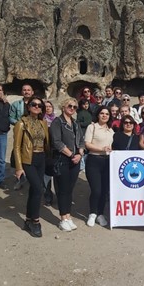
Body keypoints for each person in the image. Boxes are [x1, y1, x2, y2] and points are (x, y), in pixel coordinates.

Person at [13, 97, 50, 237]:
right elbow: (16, 147)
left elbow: (47, 143)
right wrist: (18, 167)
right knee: (38, 188)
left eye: (39, 105)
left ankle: (28, 220)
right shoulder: (21, 123)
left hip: (41, 158)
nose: (36, 107)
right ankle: (35, 221)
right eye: (33, 104)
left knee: (35, 190)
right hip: (28, 159)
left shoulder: (43, 123)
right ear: (28, 107)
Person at [50, 98, 85, 232]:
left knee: (70, 189)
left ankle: (68, 216)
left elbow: (81, 140)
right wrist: (71, 155)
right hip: (62, 159)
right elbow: (57, 142)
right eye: (70, 106)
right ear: (63, 106)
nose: (72, 108)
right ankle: (63, 218)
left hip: (75, 160)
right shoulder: (57, 122)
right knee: (63, 189)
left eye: (75, 107)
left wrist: (80, 154)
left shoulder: (75, 123)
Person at [84, 106, 114, 227]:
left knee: (104, 190)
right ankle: (92, 213)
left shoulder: (111, 130)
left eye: (107, 114)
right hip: (94, 160)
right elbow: (87, 144)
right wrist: (102, 149)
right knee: (96, 190)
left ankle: (100, 213)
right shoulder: (92, 127)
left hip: (107, 162)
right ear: (98, 115)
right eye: (102, 113)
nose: (104, 115)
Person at [9, 83, 34, 190]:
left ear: (32, 92)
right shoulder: (16, 104)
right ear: (21, 92)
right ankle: (19, 179)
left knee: (33, 155)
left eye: (29, 90)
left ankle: (32, 179)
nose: (26, 92)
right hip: (20, 132)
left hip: (33, 134)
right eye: (24, 90)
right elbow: (10, 118)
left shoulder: (37, 104)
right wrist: (21, 124)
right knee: (17, 154)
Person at [42, 100, 56, 205]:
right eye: (46, 106)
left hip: (55, 150)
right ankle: (48, 196)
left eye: (49, 106)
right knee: (46, 174)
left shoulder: (57, 120)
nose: (48, 108)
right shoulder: (41, 120)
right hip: (44, 150)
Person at [76, 99, 93, 170]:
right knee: (83, 148)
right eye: (84, 104)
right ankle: (82, 164)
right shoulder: (80, 113)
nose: (86, 105)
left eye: (87, 104)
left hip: (89, 132)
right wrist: (88, 123)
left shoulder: (89, 112)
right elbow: (78, 123)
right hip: (83, 132)